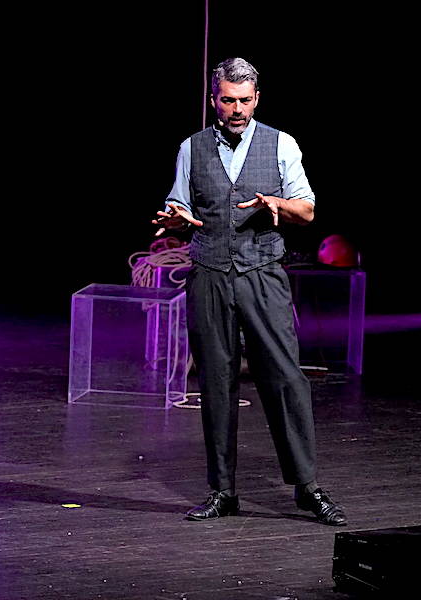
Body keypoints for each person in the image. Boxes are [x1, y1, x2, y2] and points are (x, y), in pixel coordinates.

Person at [152, 57, 346, 526]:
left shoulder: (282, 145)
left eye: (244, 100)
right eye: (226, 100)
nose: (236, 109)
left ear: (256, 98)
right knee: (215, 382)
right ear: (213, 99)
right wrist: (176, 218)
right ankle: (223, 490)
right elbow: (179, 202)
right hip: (210, 273)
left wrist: (277, 204)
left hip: (262, 272)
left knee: (284, 378)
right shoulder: (191, 148)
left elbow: (308, 210)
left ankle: (307, 487)